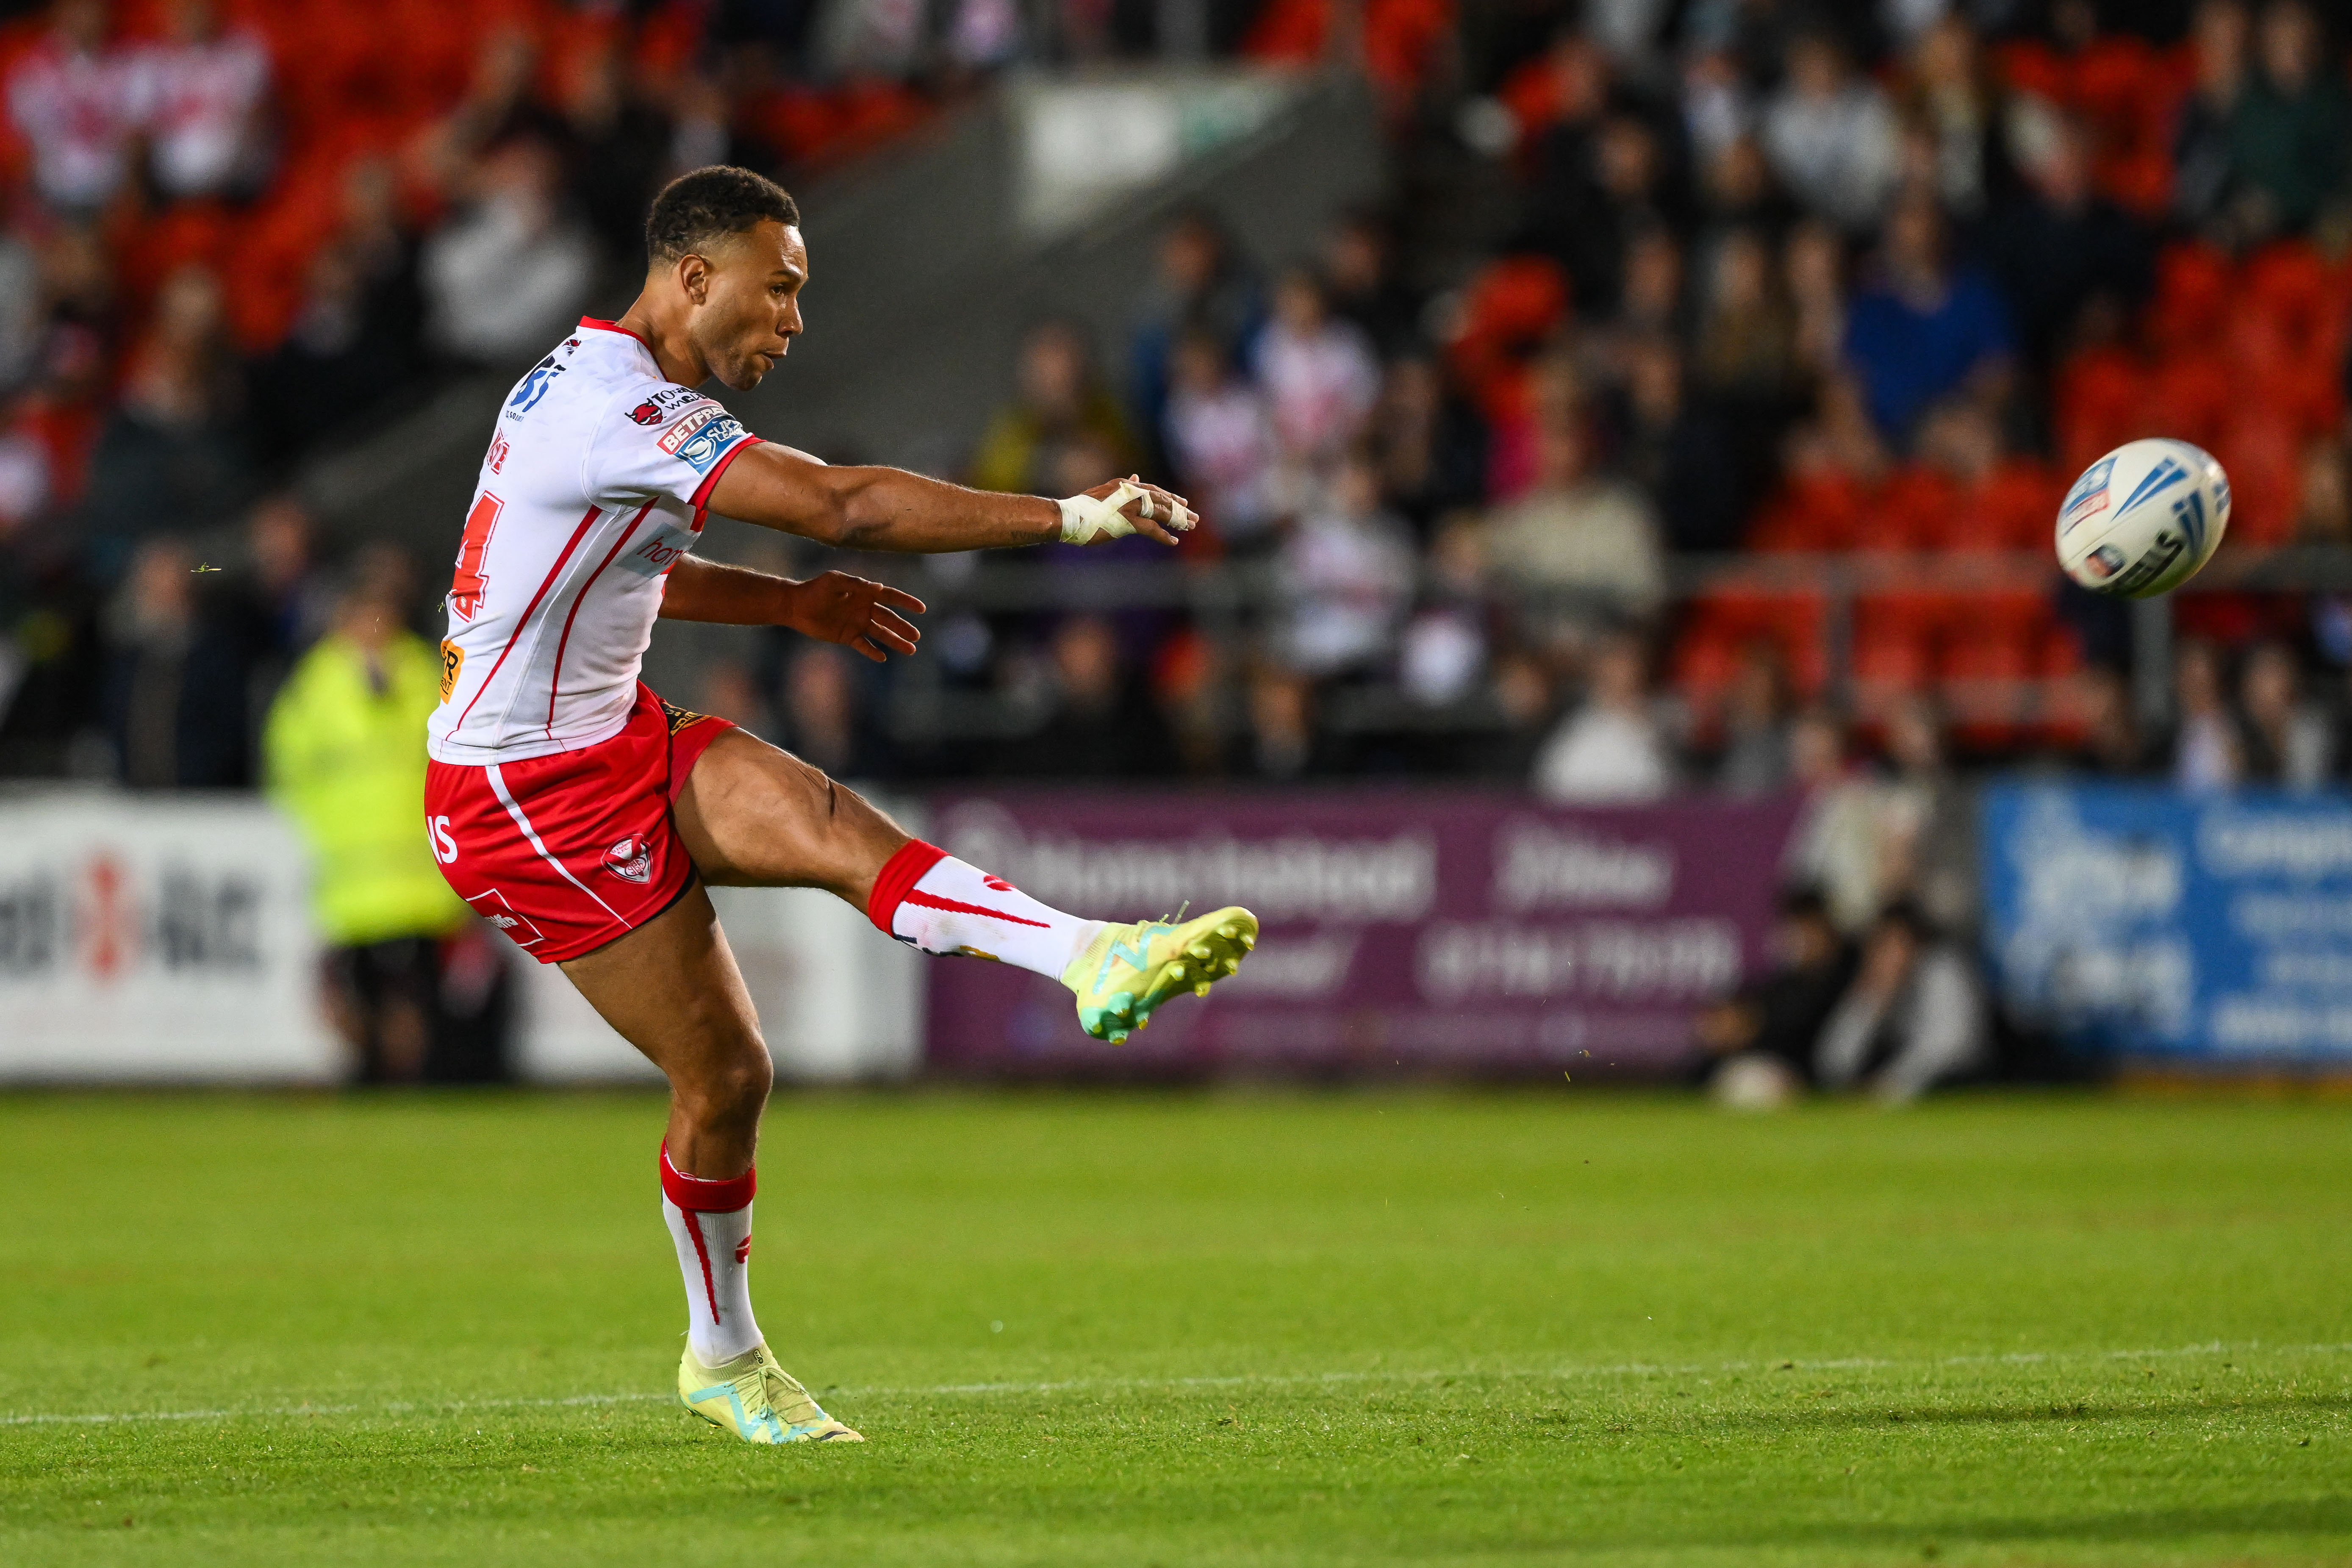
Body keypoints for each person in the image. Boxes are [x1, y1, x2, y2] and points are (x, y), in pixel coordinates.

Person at [422, 166, 1259, 1446]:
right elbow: (844, 505)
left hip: (610, 732)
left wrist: (788, 606)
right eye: (782, 287)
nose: (793, 318)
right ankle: (724, 1356)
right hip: (517, 795)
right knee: (728, 1073)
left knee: (824, 824)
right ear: (695, 279)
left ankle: (1093, 956)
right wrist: (1071, 515)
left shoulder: (590, 388)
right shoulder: (614, 410)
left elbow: (630, 566)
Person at [264, 569, 501, 1084]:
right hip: (354, 880)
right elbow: (287, 765)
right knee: (361, 998)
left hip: (422, 878)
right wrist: (327, 822)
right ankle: (368, 1073)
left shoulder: (425, 671)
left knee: (422, 998)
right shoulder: (315, 684)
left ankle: (423, 1075)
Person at [1812, 901, 1988, 1102]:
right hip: (1907, 1091)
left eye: (1898, 945)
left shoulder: (1943, 970)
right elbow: (1833, 1065)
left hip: (1963, 1088)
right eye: (1881, 946)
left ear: (1918, 945)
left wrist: (1891, 1085)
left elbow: (1949, 1048)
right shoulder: (1874, 983)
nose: (1890, 956)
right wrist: (1870, 1000)